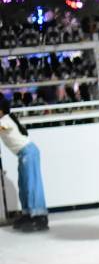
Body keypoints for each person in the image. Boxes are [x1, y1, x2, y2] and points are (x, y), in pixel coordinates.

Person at [0, 95, 49, 232]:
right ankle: (28, 213)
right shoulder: (5, 119)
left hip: (29, 153)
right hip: (23, 154)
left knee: (32, 184)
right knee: (23, 185)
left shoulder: (5, 120)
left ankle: (39, 217)